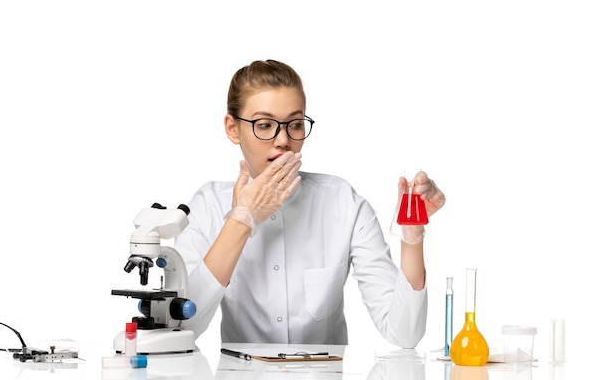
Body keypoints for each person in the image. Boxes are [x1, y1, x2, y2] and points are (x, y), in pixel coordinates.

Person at [176, 59, 446, 347]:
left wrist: (412, 232)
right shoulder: (207, 207)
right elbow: (183, 326)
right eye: (265, 125)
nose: (283, 140)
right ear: (232, 128)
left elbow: (404, 334)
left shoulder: (343, 204)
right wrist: (243, 219)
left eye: (294, 124)